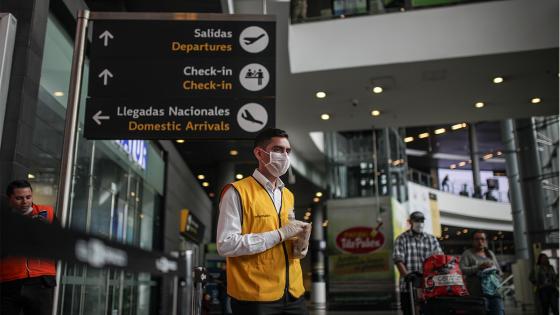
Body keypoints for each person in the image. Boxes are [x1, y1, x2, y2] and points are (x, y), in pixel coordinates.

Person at [216, 128, 311, 315]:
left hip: (294, 294)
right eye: (278, 149)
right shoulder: (236, 192)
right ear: (259, 153)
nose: (284, 156)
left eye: (287, 151)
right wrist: (280, 234)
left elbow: (285, 245)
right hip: (255, 297)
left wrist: (300, 244)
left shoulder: (288, 195)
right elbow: (225, 245)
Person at [0, 180, 57, 315]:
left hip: (40, 281)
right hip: (9, 281)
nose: (25, 202)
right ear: (10, 199)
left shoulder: (46, 213)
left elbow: (58, 243)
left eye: (28, 197)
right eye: (19, 198)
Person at [393, 211, 442, 315]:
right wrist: (406, 275)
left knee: (429, 311)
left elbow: (439, 258)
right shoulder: (401, 239)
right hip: (408, 286)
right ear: (410, 222)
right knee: (409, 311)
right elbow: (398, 259)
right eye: (416, 220)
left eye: (421, 220)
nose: (419, 223)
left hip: (429, 286)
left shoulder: (431, 239)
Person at [460, 231, 504, 315]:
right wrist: (479, 267)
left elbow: (499, 272)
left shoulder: (490, 253)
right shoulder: (467, 254)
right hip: (477, 295)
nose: (480, 241)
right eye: (477, 239)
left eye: (482, 239)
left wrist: (495, 275)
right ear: (473, 241)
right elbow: (462, 270)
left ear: (486, 241)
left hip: (494, 293)